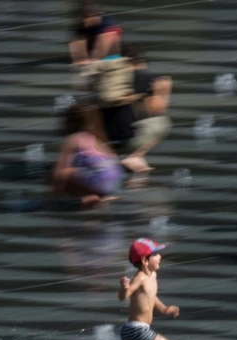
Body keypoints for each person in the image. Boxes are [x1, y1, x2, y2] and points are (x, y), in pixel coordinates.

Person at [51, 104, 124, 208]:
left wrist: (51, 198)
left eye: (64, 121)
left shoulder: (74, 139)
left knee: (63, 173)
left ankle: (89, 196)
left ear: (72, 122)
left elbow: (58, 174)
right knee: (83, 167)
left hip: (100, 180)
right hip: (116, 181)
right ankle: (104, 196)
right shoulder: (99, 139)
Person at [119, 44, 173, 174]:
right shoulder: (148, 78)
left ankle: (134, 158)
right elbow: (159, 107)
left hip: (104, 134)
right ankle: (136, 156)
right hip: (128, 134)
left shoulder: (112, 78)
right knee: (162, 122)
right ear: (141, 61)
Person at [69, 1, 122, 66]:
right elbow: (79, 60)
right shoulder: (81, 28)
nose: (82, 20)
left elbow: (97, 59)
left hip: (109, 63)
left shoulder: (109, 26)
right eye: (82, 17)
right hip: (92, 62)